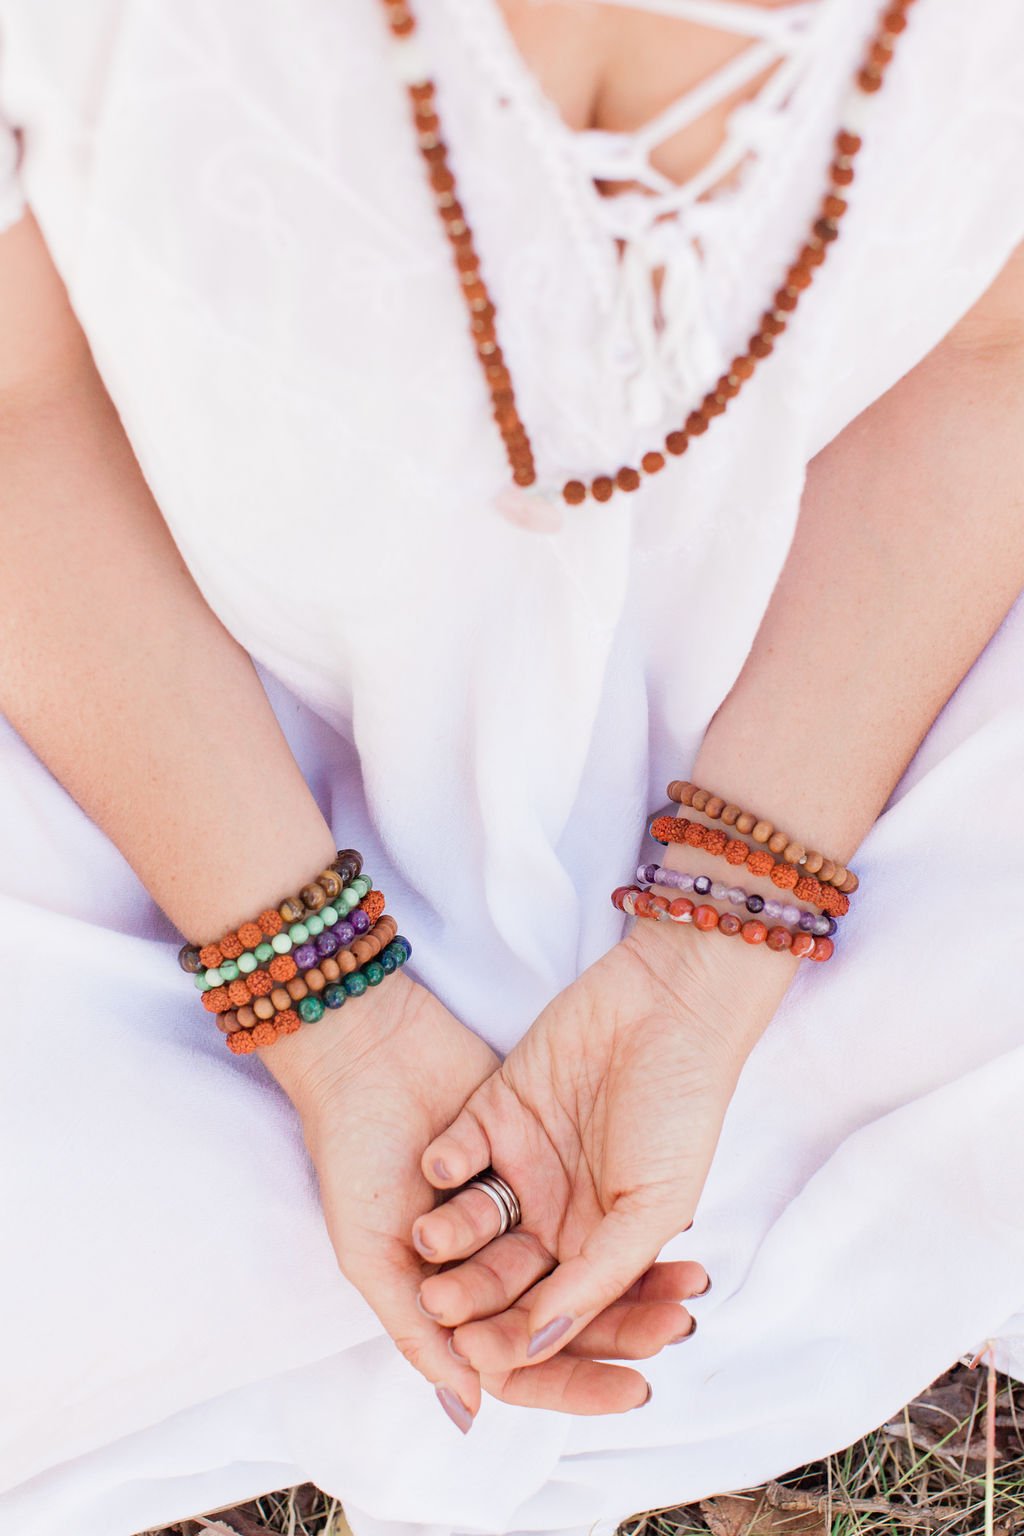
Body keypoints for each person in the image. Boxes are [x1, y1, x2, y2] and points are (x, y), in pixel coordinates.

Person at [1, 0, 1023, 1533]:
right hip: (150, 676)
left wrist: (711, 951)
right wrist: (321, 1008)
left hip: (848, 651)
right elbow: (18, 412)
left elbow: (987, 354)